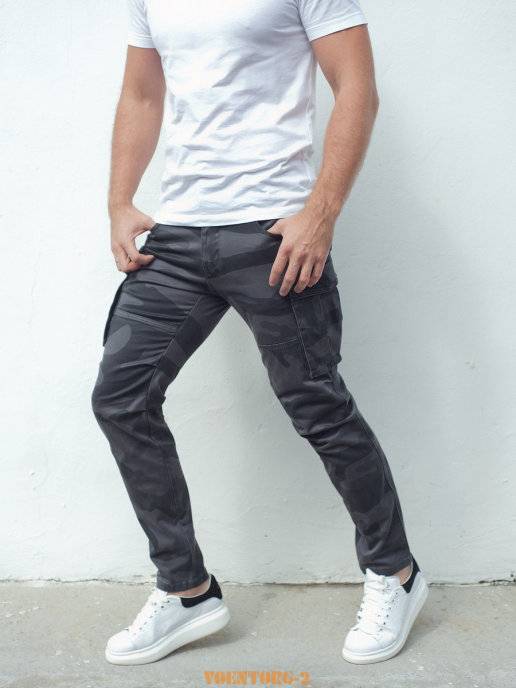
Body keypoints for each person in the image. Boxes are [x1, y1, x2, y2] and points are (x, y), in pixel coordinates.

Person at [91, 0, 428, 667]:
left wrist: (321, 213)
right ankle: (186, 590)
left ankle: (396, 572)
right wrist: (119, 200)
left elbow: (356, 86)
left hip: (272, 232)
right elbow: (141, 93)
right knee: (120, 398)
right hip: (177, 237)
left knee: (317, 405)